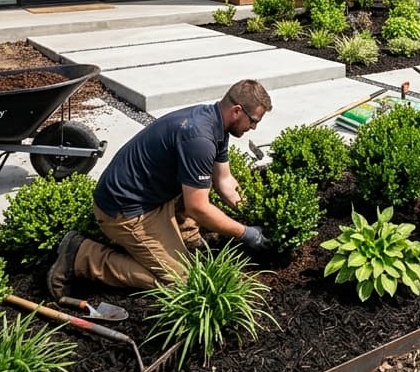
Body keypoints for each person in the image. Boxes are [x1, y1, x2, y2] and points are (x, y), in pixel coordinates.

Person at [47, 80, 273, 297]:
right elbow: (198, 208)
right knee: (182, 282)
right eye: (253, 120)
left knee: (197, 183)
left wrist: (251, 213)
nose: (253, 127)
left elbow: (224, 181)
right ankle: (82, 255)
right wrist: (245, 233)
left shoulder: (216, 124)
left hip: (151, 197)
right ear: (236, 111)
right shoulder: (199, 138)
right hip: (125, 212)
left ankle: (187, 237)